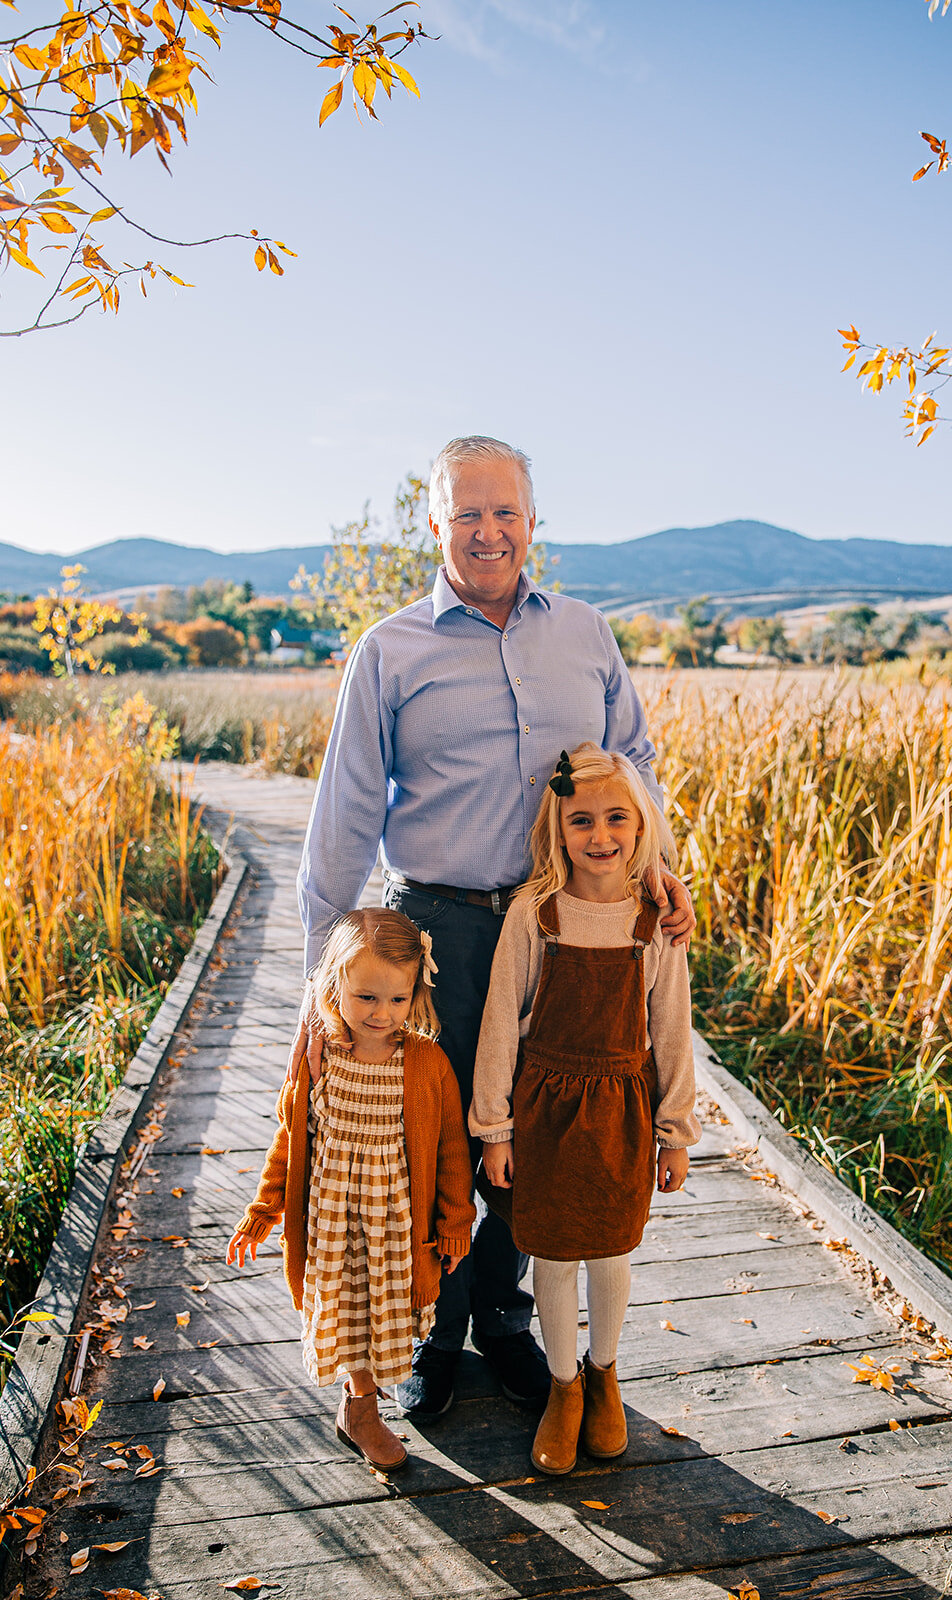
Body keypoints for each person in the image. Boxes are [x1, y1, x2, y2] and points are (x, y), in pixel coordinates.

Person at [293, 434, 696, 1421]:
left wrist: (656, 860)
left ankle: (507, 1323)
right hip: (430, 930)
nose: (487, 530)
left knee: (537, 1130)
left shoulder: (585, 634)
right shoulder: (389, 649)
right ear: (434, 524)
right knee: (430, 1140)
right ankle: (437, 1333)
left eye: (504, 511)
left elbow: (631, 753)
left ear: (530, 519)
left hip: (561, 925)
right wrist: (321, 991)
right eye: (465, 512)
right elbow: (345, 815)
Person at [472, 743, 700, 1476]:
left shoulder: (651, 919)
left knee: (609, 1248)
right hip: (543, 1107)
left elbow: (670, 1029)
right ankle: (562, 1389)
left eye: (615, 819)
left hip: (621, 1107)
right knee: (553, 1249)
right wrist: (494, 1128)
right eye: (580, 821)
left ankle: (604, 1375)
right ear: (556, 828)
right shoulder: (534, 915)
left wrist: (675, 1135)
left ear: (641, 827)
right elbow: (502, 1022)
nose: (599, 836)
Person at [228, 909, 474, 1471]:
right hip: (334, 1221)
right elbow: (291, 1138)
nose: (381, 1014)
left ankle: (365, 1401)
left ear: (415, 991)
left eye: (397, 999)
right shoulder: (321, 1060)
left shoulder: (426, 1063)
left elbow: (452, 1150)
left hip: (394, 1225)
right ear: (333, 986)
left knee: (383, 1316)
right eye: (366, 997)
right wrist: (265, 1206)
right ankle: (361, 1409)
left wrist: (456, 1220)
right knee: (347, 1317)